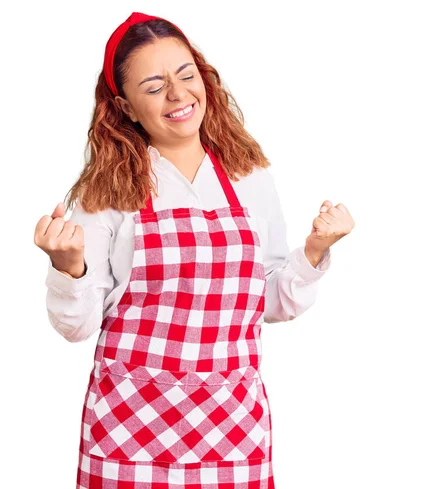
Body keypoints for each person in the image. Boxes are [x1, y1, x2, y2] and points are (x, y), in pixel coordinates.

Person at [34, 11, 354, 489]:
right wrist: (68, 266)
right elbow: (77, 328)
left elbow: (268, 303)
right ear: (124, 107)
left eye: (187, 76)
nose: (179, 94)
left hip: (232, 428)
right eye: (155, 85)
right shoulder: (105, 193)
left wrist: (313, 251)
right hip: (130, 426)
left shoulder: (250, 178)